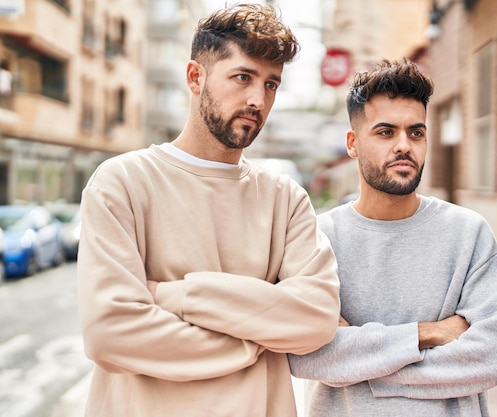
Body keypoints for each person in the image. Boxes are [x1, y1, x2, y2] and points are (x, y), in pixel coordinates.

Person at [77, 4, 340, 417]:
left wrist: (170, 295)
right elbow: (110, 334)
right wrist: (260, 335)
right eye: (242, 77)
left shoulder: (285, 199)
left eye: (271, 85)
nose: (257, 99)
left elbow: (316, 320)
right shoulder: (122, 183)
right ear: (195, 77)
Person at [288, 59, 497, 416]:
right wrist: (426, 334)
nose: (404, 146)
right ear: (353, 143)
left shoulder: (468, 234)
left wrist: (358, 364)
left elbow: (493, 358)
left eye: (416, 132)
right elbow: (306, 356)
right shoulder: (318, 239)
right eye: (385, 132)